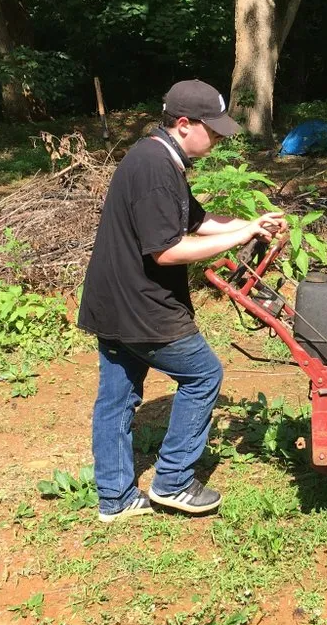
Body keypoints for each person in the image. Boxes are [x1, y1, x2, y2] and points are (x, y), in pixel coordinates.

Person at [78, 79, 286, 523]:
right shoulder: (155, 169)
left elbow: (198, 221)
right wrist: (241, 237)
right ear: (185, 124)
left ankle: (115, 498)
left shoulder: (157, 157)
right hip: (141, 305)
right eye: (213, 130)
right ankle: (173, 481)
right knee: (203, 375)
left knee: (116, 399)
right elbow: (167, 250)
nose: (219, 139)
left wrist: (250, 225)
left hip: (112, 302)